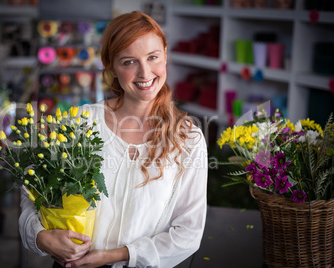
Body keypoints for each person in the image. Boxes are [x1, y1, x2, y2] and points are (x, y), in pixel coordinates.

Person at [19, 11, 208, 268]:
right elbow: (32, 191)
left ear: (165, 54)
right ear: (111, 67)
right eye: (129, 62)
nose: (144, 73)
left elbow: (188, 234)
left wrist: (117, 256)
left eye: (153, 57)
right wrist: (41, 237)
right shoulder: (81, 122)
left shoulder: (188, 139)